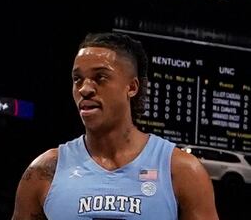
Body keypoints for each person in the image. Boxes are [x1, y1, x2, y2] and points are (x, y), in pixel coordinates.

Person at [12, 32, 219, 220]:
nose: (85, 89)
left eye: (100, 77)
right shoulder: (44, 171)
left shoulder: (182, 170)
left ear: (132, 87)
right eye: (77, 79)